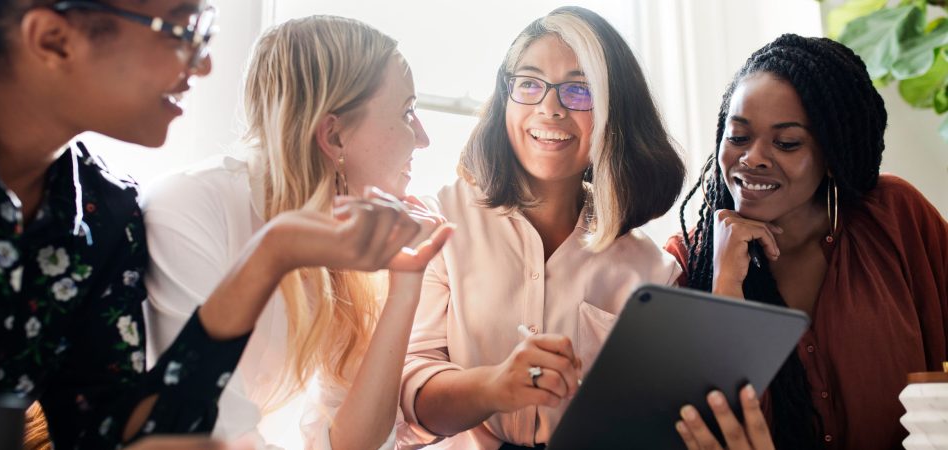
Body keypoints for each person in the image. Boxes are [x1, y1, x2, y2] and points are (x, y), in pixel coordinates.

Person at [0, 1, 421, 448]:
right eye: (182, 29)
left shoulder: (104, 213)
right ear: (54, 39)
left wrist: (271, 255)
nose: (204, 65)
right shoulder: (174, 204)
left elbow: (110, 433)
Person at [143, 15, 452, 450]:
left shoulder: (343, 244)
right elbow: (206, 429)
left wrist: (406, 284)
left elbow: (352, 443)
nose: (423, 138)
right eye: (407, 112)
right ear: (333, 135)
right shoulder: (190, 209)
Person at [398, 6, 685, 449]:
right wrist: (494, 385)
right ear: (506, 98)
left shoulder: (653, 270)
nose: (549, 109)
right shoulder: (441, 223)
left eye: (578, 89)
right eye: (529, 84)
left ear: (615, 111)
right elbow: (411, 398)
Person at [667, 34, 948, 450]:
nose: (753, 158)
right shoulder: (688, 263)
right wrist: (725, 285)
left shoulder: (895, 217)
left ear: (833, 154)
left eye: (787, 143)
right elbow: (710, 431)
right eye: (738, 137)